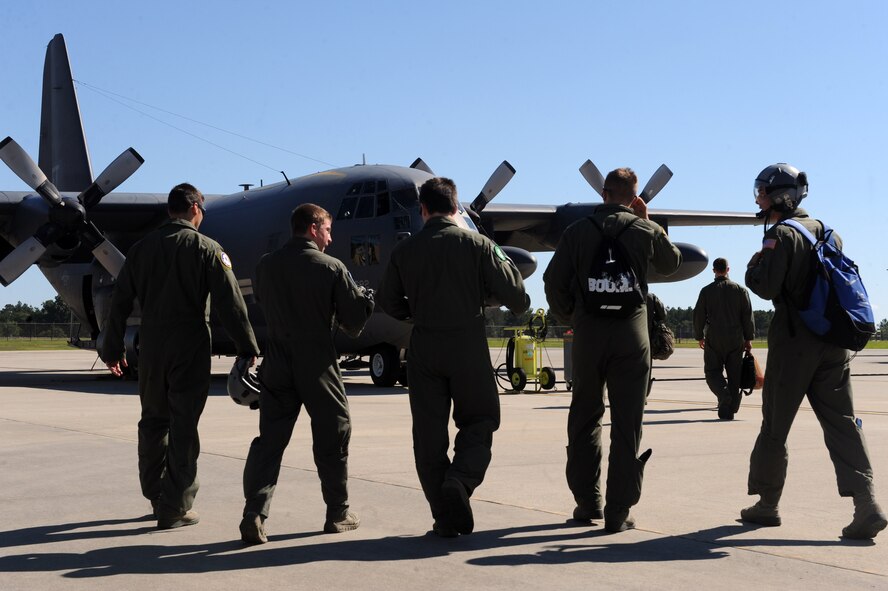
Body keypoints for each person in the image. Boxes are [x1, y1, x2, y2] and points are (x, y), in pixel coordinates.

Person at [101, 182, 259, 530]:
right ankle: (176, 505)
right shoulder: (207, 248)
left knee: (153, 419)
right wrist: (247, 348)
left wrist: (110, 347)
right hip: (189, 342)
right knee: (184, 423)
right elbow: (231, 305)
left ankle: (156, 493)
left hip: (151, 344)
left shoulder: (141, 251)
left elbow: (119, 303)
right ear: (194, 209)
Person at [377, 177, 529, 538]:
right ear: (457, 208)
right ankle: (460, 480)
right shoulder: (478, 244)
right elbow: (519, 299)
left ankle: (445, 517)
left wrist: (417, 314)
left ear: (423, 209)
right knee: (480, 420)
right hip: (467, 344)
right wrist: (484, 295)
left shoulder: (404, 251)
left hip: (424, 346)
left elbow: (387, 301)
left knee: (428, 437)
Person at [741, 163, 886, 539]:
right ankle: (867, 503)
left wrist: (752, 269)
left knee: (775, 426)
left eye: (763, 191)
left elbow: (768, 286)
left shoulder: (780, 235)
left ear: (779, 197)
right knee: (844, 423)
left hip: (794, 345)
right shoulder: (829, 233)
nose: (759, 197)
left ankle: (767, 504)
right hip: (834, 344)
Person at [543, 167, 681, 533]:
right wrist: (649, 222)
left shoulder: (576, 232)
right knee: (627, 423)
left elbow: (552, 281)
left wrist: (573, 317)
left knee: (585, 415)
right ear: (635, 197)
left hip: (588, 337)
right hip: (631, 338)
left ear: (603, 193)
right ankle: (618, 510)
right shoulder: (644, 229)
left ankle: (587, 501)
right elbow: (671, 263)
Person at [240, 203, 374, 544]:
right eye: (328, 231)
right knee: (333, 435)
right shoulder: (331, 267)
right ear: (314, 228)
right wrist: (365, 302)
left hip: (277, 362)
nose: (330, 239)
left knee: (269, 442)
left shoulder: (265, 265)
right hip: (316, 361)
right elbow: (353, 323)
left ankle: (254, 514)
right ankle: (338, 512)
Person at [693, 257, 755, 420]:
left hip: (714, 336)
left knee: (712, 372)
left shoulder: (706, 291)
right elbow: (747, 316)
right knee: (735, 374)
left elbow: (699, 315)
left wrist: (699, 336)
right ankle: (731, 408)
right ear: (728, 269)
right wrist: (748, 339)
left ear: (714, 270)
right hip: (736, 337)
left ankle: (723, 394)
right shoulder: (740, 290)